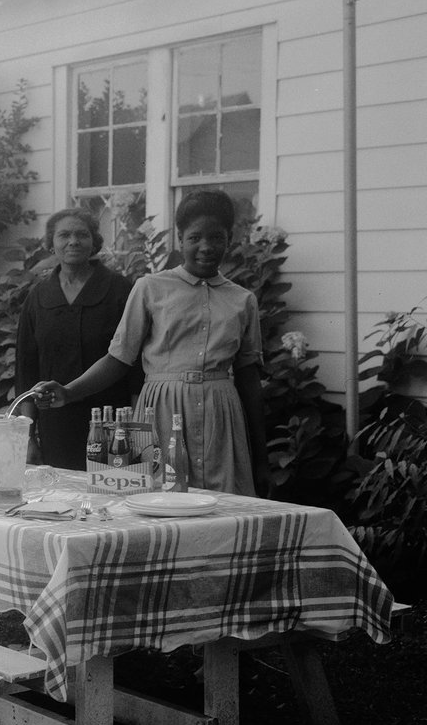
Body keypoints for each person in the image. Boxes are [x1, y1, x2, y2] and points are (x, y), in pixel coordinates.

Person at [32, 189, 269, 496]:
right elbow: (118, 358)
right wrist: (69, 391)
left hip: (221, 416)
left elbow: (249, 379)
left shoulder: (242, 300)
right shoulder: (150, 288)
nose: (206, 247)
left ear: (229, 239)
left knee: (223, 504)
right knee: (157, 501)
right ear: (180, 238)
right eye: (195, 237)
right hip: (160, 411)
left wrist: (261, 461)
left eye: (216, 237)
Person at [15, 207, 140, 469]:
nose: (73, 241)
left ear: (94, 241)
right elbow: (26, 372)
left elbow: (136, 366)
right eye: (64, 235)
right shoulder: (38, 298)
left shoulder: (119, 290)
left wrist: (135, 427)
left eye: (82, 234)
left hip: (111, 420)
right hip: (55, 425)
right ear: (51, 245)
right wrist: (28, 438)